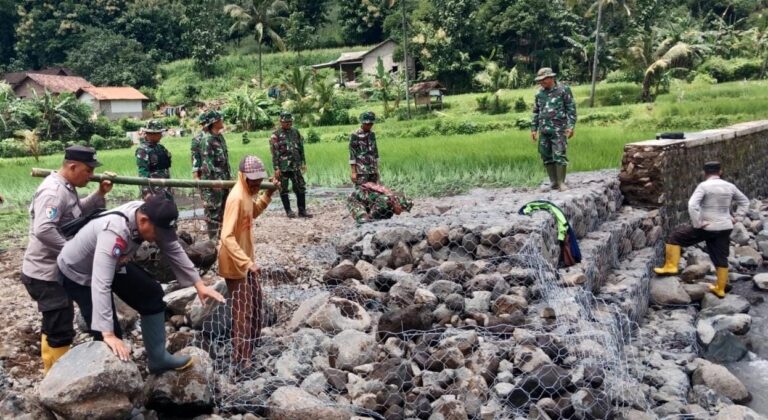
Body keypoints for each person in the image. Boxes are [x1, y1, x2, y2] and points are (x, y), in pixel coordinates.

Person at [57, 195, 225, 373]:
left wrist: (198, 284)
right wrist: (108, 333)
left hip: (114, 263)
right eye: (158, 234)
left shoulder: (148, 214)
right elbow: (101, 283)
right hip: (79, 272)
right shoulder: (114, 232)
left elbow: (172, 247)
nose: (158, 239)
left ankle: (158, 358)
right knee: (109, 334)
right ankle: (109, 380)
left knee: (151, 293)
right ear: (144, 221)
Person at [21, 146, 113, 374]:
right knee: (60, 323)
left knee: (55, 320)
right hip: (44, 273)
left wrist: (99, 194)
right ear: (72, 166)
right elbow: (44, 229)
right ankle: (57, 377)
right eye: (88, 170)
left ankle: (51, 369)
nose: (91, 175)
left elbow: (76, 211)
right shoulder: (53, 192)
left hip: (52, 270)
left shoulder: (66, 187)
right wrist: (72, 250)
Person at [654, 161, 749, 298]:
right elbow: (744, 201)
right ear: (720, 172)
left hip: (708, 227)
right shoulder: (730, 186)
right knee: (721, 256)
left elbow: (692, 205)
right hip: (725, 226)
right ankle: (720, 288)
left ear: (704, 173)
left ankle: (671, 266)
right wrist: (738, 218)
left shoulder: (704, 186)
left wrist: (698, 223)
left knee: (675, 237)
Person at [218, 155, 278, 370]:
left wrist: (268, 194)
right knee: (242, 311)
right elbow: (226, 236)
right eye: (251, 180)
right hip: (236, 265)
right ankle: (241, 358)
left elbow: (252, 213)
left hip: (246, 261)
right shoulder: (236, 197)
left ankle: (252, 346)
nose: (255, 184)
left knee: (255, 304)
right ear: (242, 176)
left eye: (258, 180)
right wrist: (246, 263)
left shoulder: (247, 194)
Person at [530, 67, 576, 191]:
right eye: (540, 81)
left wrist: (571, 126)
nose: (541, 83)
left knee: (559, 154)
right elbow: (536, 112)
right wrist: (533, 129)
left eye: (543, 80)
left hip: (558, 129)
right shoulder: (539, 94)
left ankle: (561, 182)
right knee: (545, 155)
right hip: (544, 130)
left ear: (551, 78)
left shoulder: (563, 90)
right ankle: (553, 182)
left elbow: (571, 108)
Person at [270, 112, 311, 218]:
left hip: (296, 165)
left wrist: (303, 162)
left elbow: (301, 148)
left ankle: (302, 211)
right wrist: (276, 168)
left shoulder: (295, 132)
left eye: (290, 121)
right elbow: (274, 153)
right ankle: (288, 211)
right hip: (283, 167)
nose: (289, 124)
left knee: (300, 187)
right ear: (281, 122)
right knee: (283, 189)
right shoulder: (276, 135)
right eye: (286, 122)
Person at [199, 111, 232, 240]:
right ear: (214, 123)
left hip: (224, 180)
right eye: (219, 119)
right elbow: (207, 164)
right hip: (214, 182)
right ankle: (213, 240)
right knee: (213, 211)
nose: (222, 121)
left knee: (224, 209)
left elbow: (225, 160)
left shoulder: (220, 137)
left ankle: (222, 237)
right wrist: (214, 183)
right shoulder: (207, 140)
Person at [135, 120, 173, 200]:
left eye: (160, 133)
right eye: (158, 133)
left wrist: (170, 186)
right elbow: (143, 174)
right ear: (150, 134)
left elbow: (166, 168)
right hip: (153, 191)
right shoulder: (143, 150)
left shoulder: (161, 148)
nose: (160, 135)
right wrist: (147, 193)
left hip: (165, 188)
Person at [347, 182, 412, 224]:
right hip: (358, 200)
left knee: (383, 216)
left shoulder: (392, 198)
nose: (401, 212)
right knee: (364, 221)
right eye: (402, 209)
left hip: (371, 203)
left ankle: (369, 219)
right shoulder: (386, 200)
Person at [349, 111, 379, 186]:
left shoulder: (372, 134)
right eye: (367, 124)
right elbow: (352, 154)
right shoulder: (355, 135)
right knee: (361, 193)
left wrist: (377, 170)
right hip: (361, 171)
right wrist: (353, 172)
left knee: (373, 192)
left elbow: (375, 152)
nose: (369, 126)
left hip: (372, 170)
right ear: (362, 122)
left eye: (371, 124)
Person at [191, 112, 211, 181]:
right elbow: (195, 158)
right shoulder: (197, 139)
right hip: (205, 174)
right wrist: (196, 177)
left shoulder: (217, 136)